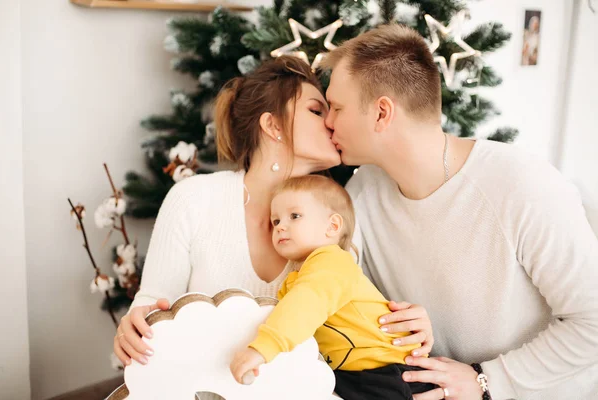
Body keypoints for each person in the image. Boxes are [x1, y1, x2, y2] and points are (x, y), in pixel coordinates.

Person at [112, 56, 435, 394]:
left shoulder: (336, 218)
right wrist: (135, 323)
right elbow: (153, 305)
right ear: (273, 125)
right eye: (316, 110)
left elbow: (346, 324)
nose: (332, 122)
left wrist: (406, 327)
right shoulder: (193, 199)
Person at [321, 23, 598, 400]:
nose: (328, 121)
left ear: (382, 113)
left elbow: (593, 320)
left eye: (336, 107)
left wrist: (488, 380)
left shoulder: (523, 185)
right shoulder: (364, 191)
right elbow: (338, 293)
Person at [230, 175, 437, 400]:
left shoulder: (331, 262)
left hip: (388, 370)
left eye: (295, 216)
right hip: (355, 373)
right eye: (276, 221)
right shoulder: (297, 278)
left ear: (333, 226)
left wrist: (263, 348)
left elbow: (306, 305)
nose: (281, 227)